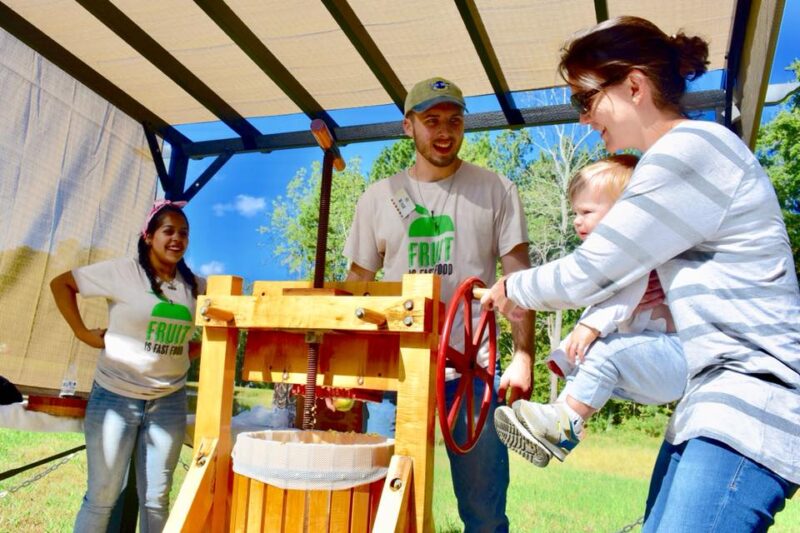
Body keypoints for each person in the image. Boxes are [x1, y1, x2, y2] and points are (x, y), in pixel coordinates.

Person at [482, 15, 799, 531]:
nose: (584, 119)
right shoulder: (681, 156)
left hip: (750, 400)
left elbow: (594, 270)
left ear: (633, 85)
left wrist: (510, 287)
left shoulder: (689, 151)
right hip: (710, 397)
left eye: (585, 100)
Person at [344, 76, 536, 531]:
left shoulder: (497, 190)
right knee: (383, 502)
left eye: (454, 120)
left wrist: (524, 355)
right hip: (394, 372)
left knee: (485, 512)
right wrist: (350, 370)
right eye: (431, 121)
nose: (444, 131)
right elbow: (357, 286)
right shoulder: (379, 197)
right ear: (408, 126)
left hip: (471, 374)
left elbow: (520, 282)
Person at [496, 154, 688, 465]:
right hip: (651, 365)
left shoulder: (636, 252)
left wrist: (588, 329)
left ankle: (563, 425)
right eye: (575, 212)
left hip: (676, 357)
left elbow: (623, 299)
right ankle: (562, 423)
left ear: (623, 213)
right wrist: (566, 356)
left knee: (605, 351)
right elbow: (606, 306)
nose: (576, 220)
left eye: (586, 211)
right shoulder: (615, 264)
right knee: (596, 360)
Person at [51, 200, 205, 533]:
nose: (177, 238)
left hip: (168, 402)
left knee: (156, 500)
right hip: (115, 397)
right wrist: (82, 332)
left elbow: (215, 324)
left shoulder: (195, 286)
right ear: (148, 236)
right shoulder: (123, 271)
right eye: (168, 231)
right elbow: (61, 284)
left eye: (184, 233)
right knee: (103, 496)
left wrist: (187, 351)